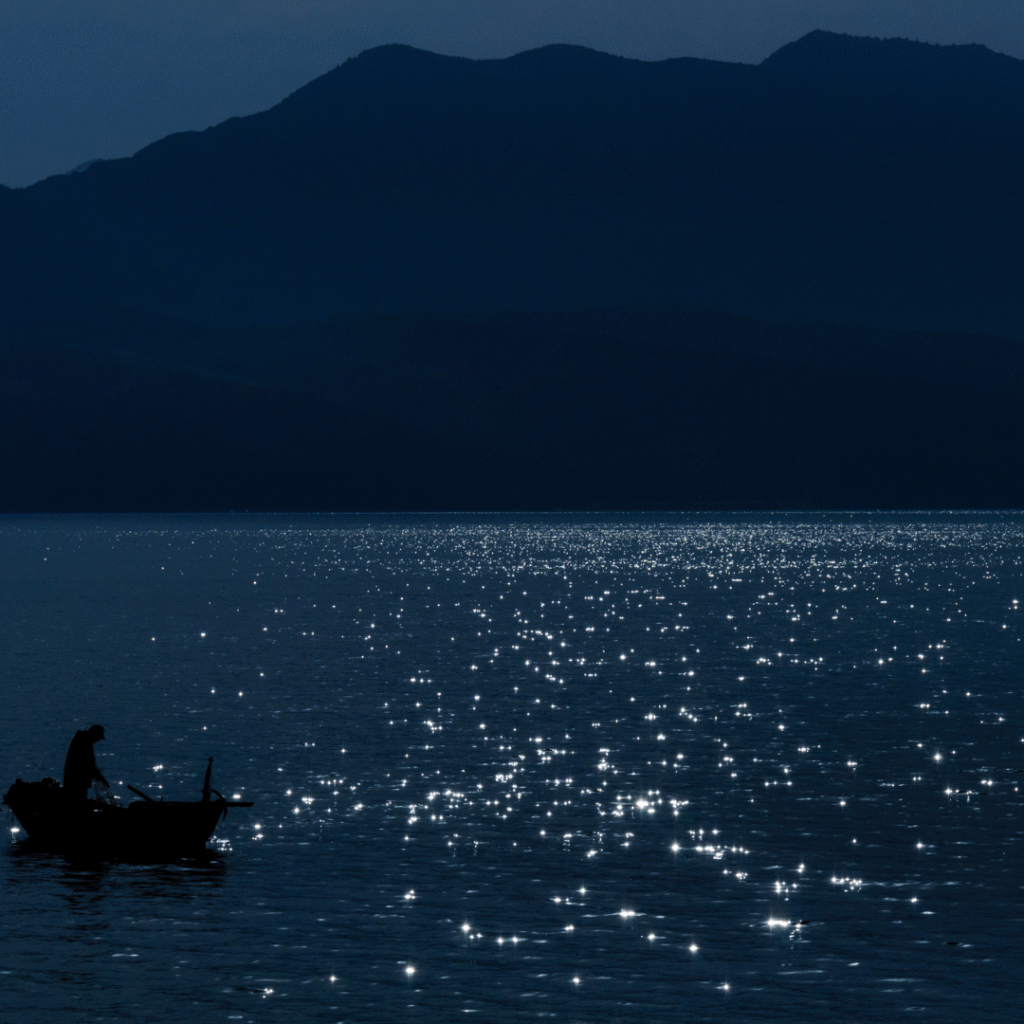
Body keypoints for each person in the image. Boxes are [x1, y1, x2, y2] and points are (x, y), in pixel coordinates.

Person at [63, 725, 110, 802]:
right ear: (94, 734)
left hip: (71, 780)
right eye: (98, 737)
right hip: (77, 782)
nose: (98, 740)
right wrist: (102, 779)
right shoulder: (85, 743)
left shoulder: (81, 739)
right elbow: (90, 765)